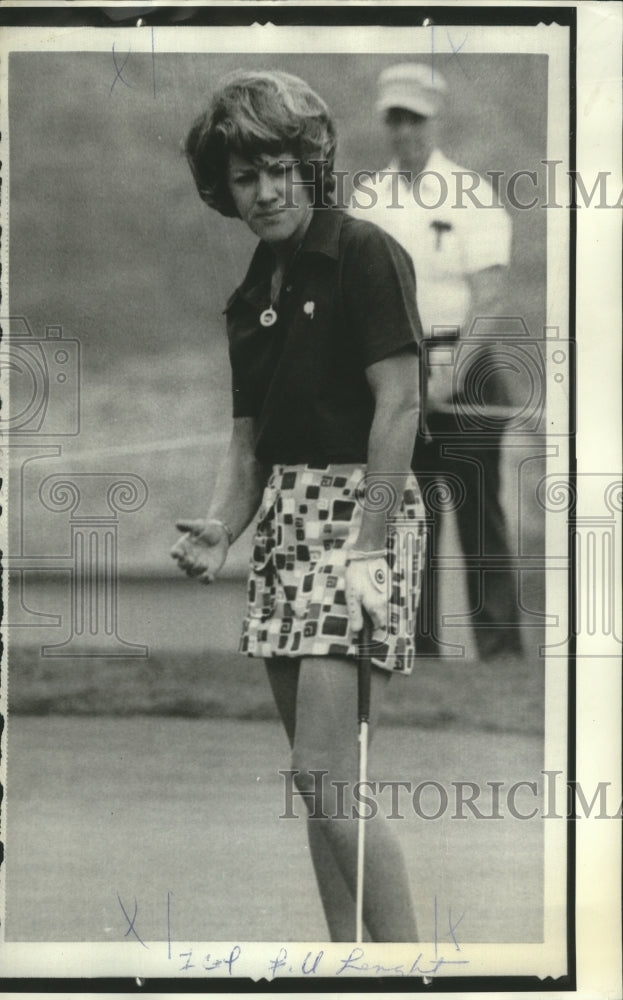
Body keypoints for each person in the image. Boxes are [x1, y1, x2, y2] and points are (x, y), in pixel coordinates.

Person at [170, 69, 427, 943]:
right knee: (314, 782)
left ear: (311, 163)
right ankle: (349, 962)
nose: (266, 189)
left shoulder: (363, 252)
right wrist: (221, 524)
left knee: (327, 775)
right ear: (224, 186)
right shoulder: (249, 299)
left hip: (365, 513)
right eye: (246, 175)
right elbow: (246, 446)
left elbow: (399, 405)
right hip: (284, 522)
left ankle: (406, 970)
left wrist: (367, 546)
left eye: (280, 167)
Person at [352, 62, 524, 660]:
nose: (405, 131)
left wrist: (450, 378)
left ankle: (500, 653)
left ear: (434, 119)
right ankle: (415, 650)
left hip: (469, 370)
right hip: (398, 371)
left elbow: (492, 298)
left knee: (480, 517)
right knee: (410, 517)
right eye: (395, 119)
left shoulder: (472, 193)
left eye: (415, 118)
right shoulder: (369, 199)